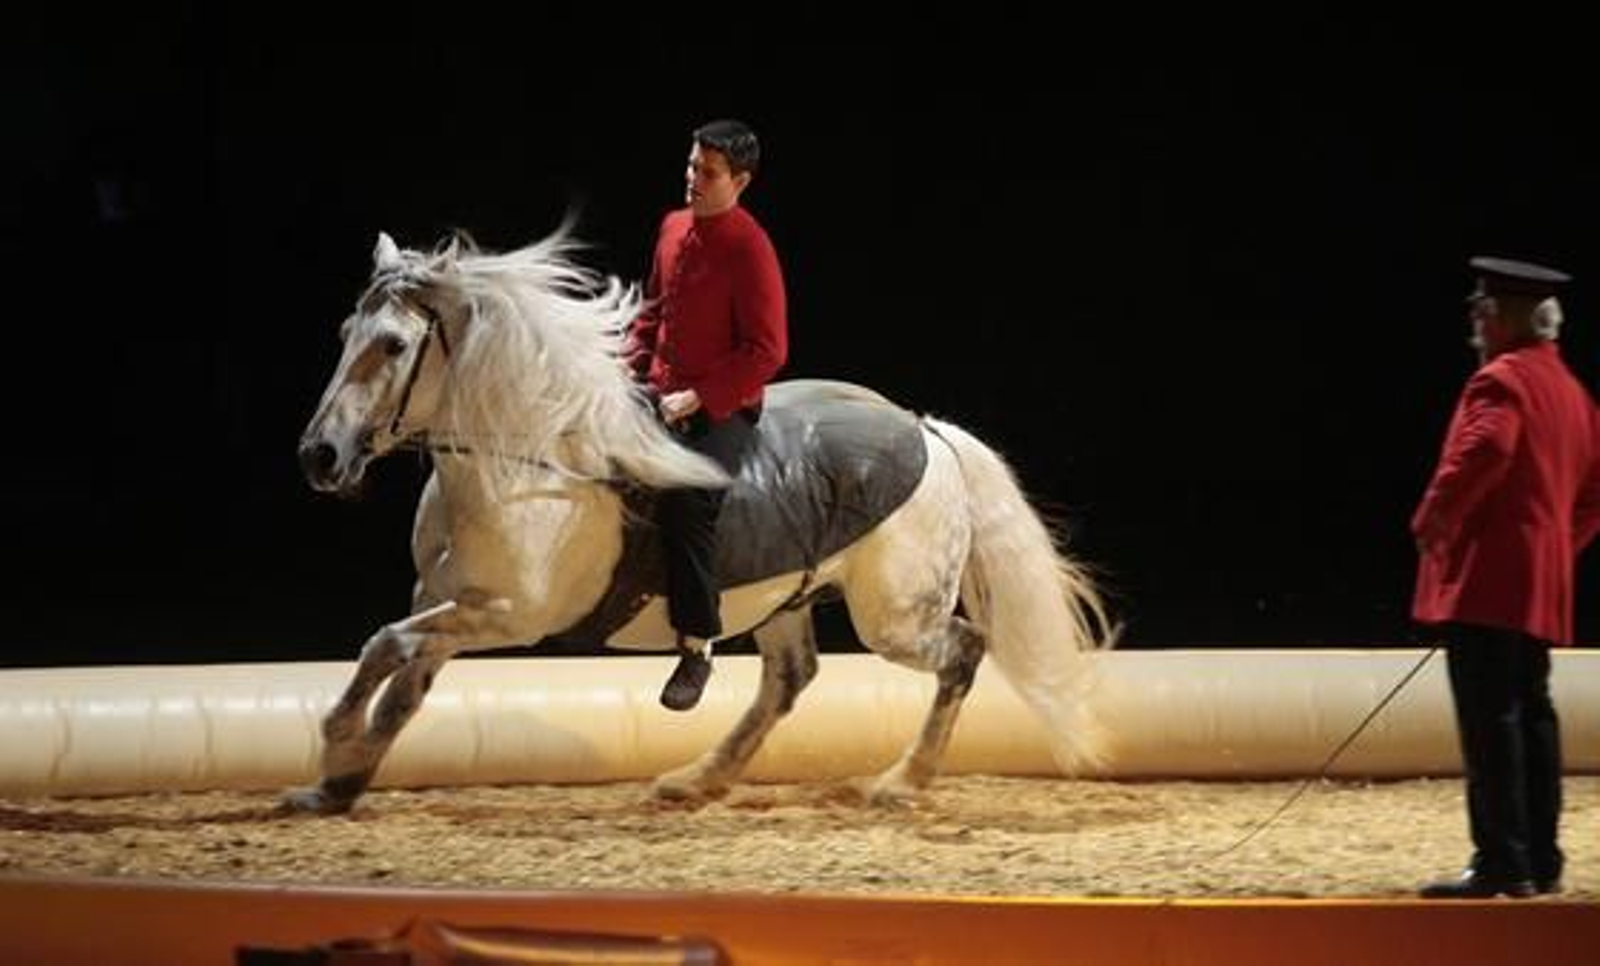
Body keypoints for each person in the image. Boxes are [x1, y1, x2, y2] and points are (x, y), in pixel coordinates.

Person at [1410, 255, 1600, 899]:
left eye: (1485, 305)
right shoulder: (1573, 393)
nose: (1475, 315)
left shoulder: (1501, 380)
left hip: (1489, 581)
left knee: (1491, 721)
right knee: (1533, 718)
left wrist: (1435, 519)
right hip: (1541, 585)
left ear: (1518, 315)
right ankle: (1540, 860)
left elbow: (1487, 449)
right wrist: (1554, 549)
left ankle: (1501, 862)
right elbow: (1593, 496)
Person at [623, 119, 788, 712]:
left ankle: (696, 645)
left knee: (686, 499)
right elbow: (653, 311)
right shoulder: (671, 226)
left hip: (721, 406)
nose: (693, 178)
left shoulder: (750, 247)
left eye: (708, 172)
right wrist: (629, 366)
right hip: (659, 389)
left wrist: (699, 398)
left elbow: (768, 350)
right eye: (692, 166)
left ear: (739, 181)